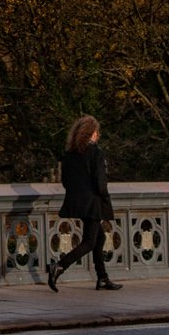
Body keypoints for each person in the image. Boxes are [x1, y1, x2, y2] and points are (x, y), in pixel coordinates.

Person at [47, 114, 123, 291]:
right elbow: (100, 182)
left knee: (99, 237)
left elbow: (65, 182)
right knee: (89, 241)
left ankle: (102, 278)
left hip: (79, 202)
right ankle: (59, 266)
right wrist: (104, 198)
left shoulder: (69, 155)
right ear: (93, 134)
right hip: (93, 202)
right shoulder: (96, 153)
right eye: (97, 132)